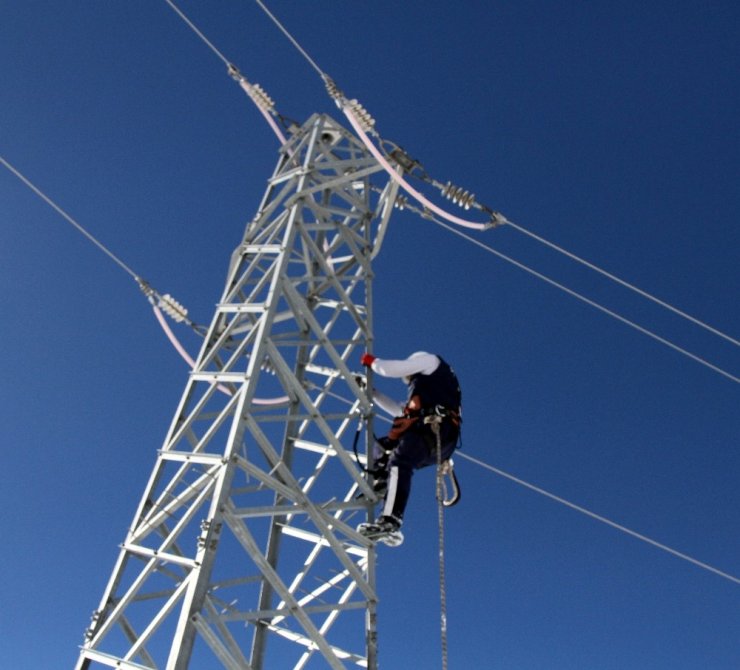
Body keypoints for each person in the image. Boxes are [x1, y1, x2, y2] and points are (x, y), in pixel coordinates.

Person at [357, 351, 461, 546]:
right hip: (436, 436)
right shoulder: (430, 390)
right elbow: (399, 410)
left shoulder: (431, 362)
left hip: (435, 429)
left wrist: (372, 362)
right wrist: (371, 392)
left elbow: (390, 369)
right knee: (385, 447)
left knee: (400, 460)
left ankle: (390, 520)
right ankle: (382, 482)